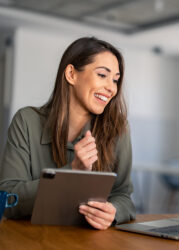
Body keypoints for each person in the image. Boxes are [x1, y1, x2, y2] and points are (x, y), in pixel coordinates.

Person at [0, 37, 136, 229]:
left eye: (115, 79)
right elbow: (7, 201)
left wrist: (113, 211)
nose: (112, 88)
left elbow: (123, 196)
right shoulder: (27, 121)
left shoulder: (118, 128)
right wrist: (73, 171)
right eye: (102, 75)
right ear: (71, 74)